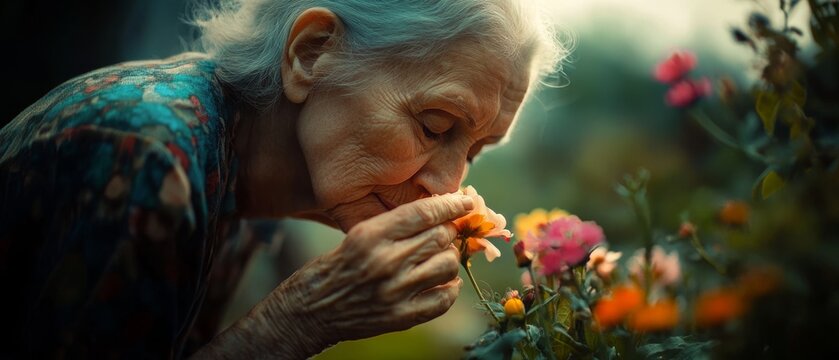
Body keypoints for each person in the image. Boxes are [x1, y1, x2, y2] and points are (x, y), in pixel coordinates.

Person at [0, 0, 563, 358]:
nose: (447, 184)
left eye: (477, 151)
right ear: (311, 52)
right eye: (434, 125)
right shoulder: (148, 153)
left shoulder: (254, 184)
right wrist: (299, 321)